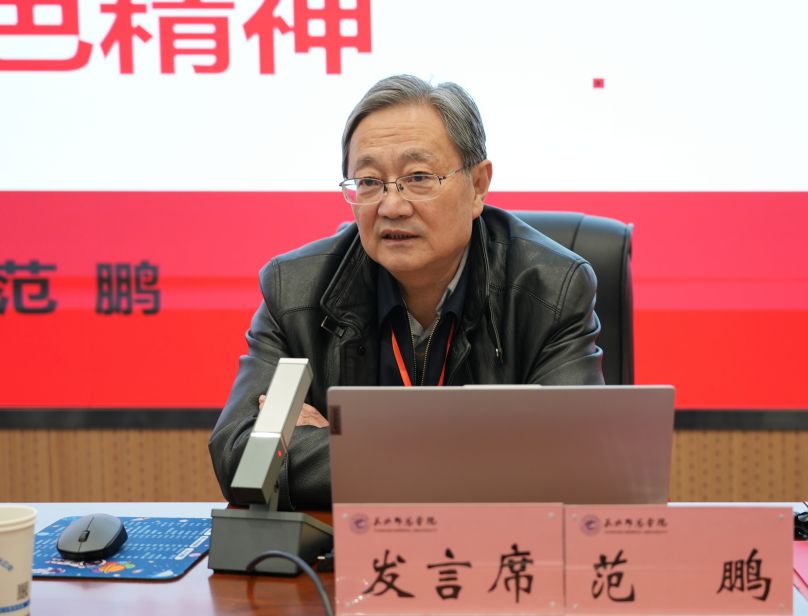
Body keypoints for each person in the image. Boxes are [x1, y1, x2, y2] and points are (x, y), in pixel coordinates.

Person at [209, 74, 604, 510]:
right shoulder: (294, 290)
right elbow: (244, 458)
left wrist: (344, 444)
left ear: (478, 185)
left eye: (418, 177)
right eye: (368, 182)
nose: (392, 206)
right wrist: (473, 456)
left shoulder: (552, 289)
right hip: (344, 549)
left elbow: (572, 458)